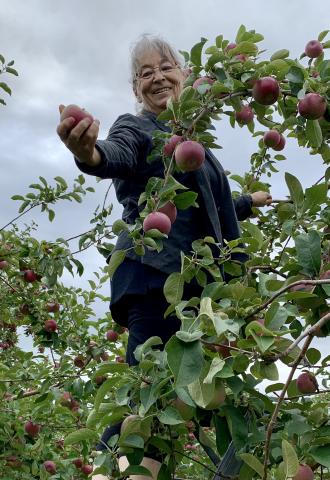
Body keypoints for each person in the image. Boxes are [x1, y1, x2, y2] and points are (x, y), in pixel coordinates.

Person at [57, 35, 272, 480]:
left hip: (200, 290)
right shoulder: (138, 129)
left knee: (179, 395)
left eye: (166, 67)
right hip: (155, 276)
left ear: (186, 75)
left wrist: (249, 200)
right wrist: (89, 153)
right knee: (149, 393)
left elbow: (209, 207)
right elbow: (113, 154)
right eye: (145, 73)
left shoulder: (194, 147)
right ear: (137, 90)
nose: (157, 77)